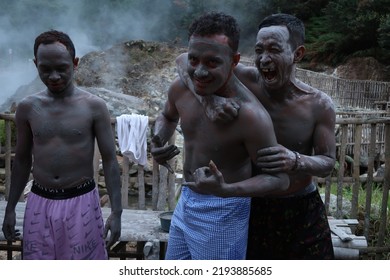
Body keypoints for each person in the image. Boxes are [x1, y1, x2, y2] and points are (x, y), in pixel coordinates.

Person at [177, 13, 336, 259]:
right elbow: (183, 61)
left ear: (297, 54)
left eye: (274, 50)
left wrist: (296, 160)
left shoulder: (318, 105)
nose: (264, 59)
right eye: (259, 50)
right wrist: (207, 100)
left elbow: (328, 162)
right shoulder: (245, 79)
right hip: (250, 204)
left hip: (300, 206)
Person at [151, 12, 289, 260]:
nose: (200, 72)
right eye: (194, 60)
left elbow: (279, 179)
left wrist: (228, 189)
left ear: (234, 60)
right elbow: (167, 116)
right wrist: (159, 138)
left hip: (225, 210)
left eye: (212, 63)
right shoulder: (182, 88)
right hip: (186, 201)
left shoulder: (250, 116)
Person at [1, 30, 122, 260]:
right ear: (36, 64)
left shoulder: (94, 107)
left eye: (62, 68)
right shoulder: (28, 108)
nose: (54, 76)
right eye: (45, 69)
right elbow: (23, 160)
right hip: (39, 202)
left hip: (82, 203)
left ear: (75, 63)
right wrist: (10, 209)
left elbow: (110, 160)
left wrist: (116, 212)